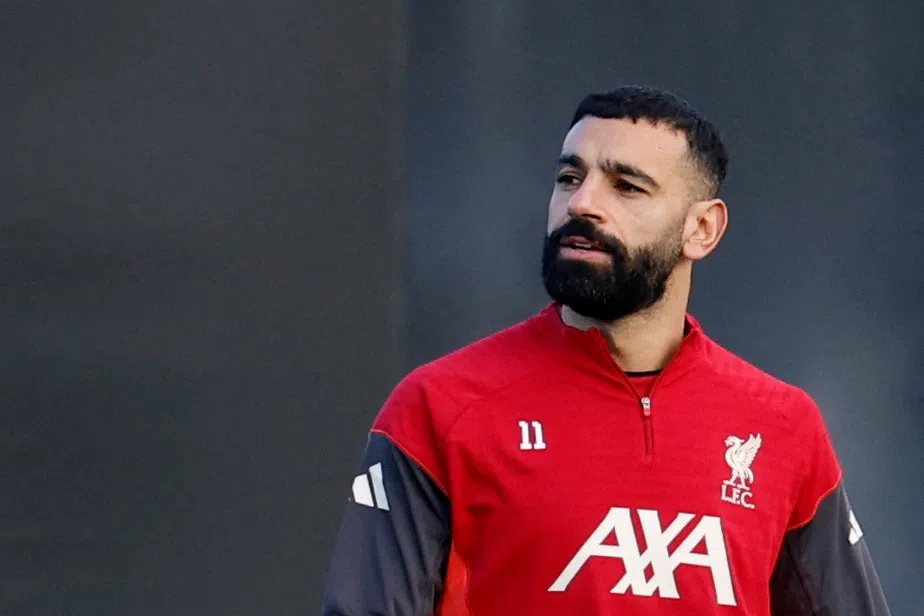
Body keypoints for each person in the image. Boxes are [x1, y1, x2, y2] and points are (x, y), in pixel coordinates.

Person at [320, 85, 890, 615]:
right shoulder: (440, 407)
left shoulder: (784, 426)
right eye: (570, 178)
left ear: (703, 230)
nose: (582, 203)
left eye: (627, 186)